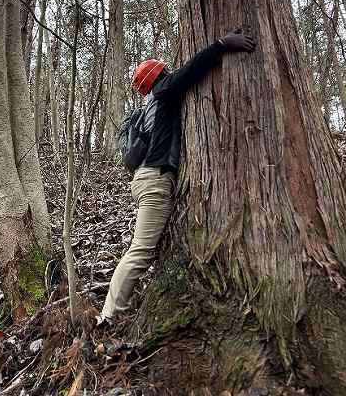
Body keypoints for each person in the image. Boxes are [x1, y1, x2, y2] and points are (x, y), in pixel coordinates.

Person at [98, 29, 257, 324]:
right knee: (141, 251)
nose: (169, 73)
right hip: (155, 181)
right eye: (165, 71)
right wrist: (221, 44)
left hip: (147, 179)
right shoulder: (164, 92)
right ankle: (109, 314)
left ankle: (115, 308)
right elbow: (191, 71)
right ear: (160, 75)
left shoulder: (150, 105)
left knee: (148, 247)